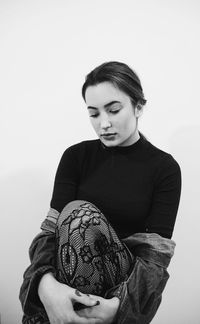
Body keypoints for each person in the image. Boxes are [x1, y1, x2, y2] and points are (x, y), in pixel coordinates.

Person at [19, 61, 182, 324]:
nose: (103, 123)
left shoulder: (164, 169)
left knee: (80, 215)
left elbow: (155, 258)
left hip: (119, 287)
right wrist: (45, 284)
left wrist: (118, 306)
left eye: (113, 110)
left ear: (139, 106)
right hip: (65, 275)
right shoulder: (75, 157)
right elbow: (50, 233)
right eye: (94, 114)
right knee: (71, 217)